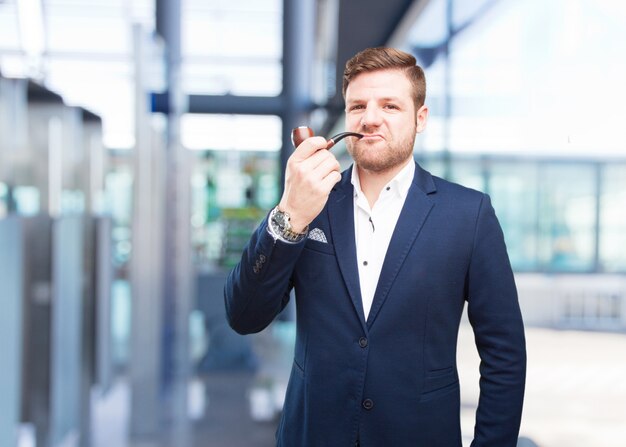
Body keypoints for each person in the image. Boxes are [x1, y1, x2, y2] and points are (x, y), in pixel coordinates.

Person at [224, 47, 526, 446]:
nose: (370, 118)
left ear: (420, 119)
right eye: (358, 106)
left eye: (390, 106)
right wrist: (289, 214)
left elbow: (504, 355)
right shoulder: (309, 201)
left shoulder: (469, 214)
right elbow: (244, 315)